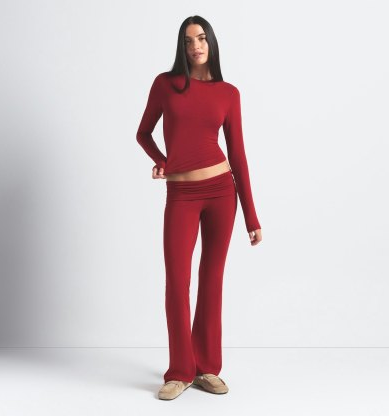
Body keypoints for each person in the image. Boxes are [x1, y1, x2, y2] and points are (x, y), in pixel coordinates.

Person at [136, 15, 263, 400]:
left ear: (211, 43)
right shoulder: (166, 85)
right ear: (182, 46)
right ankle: (179, 371)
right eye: (189, 40)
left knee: (212, 280)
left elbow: (238, 155)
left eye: (202, 38)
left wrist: (251, 216)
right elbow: (143, 132)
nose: (196, 46)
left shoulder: (228, 93)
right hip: (181, 195)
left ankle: (207, 368)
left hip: (222, 193)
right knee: (177, 282)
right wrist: (162, 161)